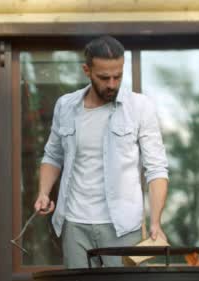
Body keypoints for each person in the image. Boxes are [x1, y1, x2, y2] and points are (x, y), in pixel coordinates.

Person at [34, 35, 169, 268]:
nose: (112, 84)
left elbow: (156, 168)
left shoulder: (140, 107)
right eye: (104, 77)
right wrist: (44, 192)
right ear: (87, 70)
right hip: (74, 224)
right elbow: (53, 155)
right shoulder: (65, 106)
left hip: (123, 226)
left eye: (118, 76)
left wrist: (155, 220)